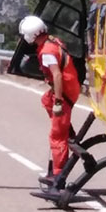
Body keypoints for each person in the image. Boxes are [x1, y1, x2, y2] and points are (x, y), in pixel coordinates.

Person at [19, 15, 81, 189]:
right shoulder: (53, 41)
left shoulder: (46, 52)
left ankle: (58, 175)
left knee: (56, 136)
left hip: (65, 93)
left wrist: (59, 102)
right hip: (70, 87)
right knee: (46, 100)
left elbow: (57, 75)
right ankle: (65, 126)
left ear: (31, 35)